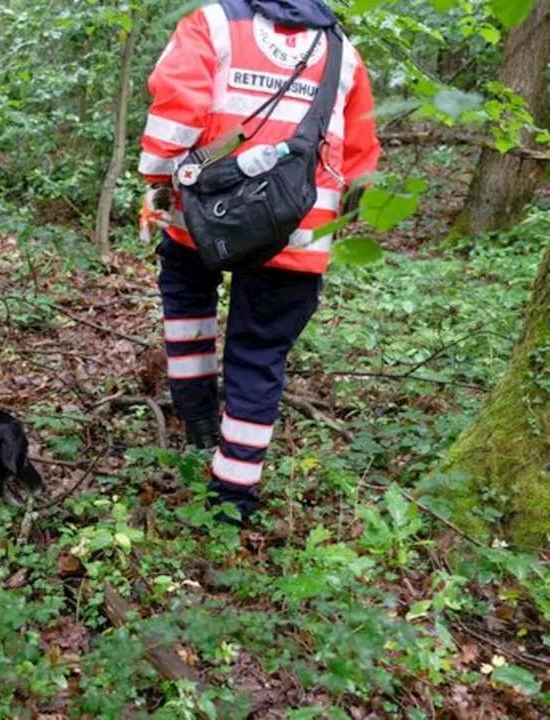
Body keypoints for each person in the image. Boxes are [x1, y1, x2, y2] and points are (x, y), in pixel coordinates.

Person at [136, 0, 380, 524]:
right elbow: (361, 160)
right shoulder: (345, 53)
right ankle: (234, 495)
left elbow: (175, 113)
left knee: (186, 297)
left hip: (205, 212)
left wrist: (156, 182)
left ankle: (197, 415)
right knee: (260, 352)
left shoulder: (212, 24)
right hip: (297, 231)